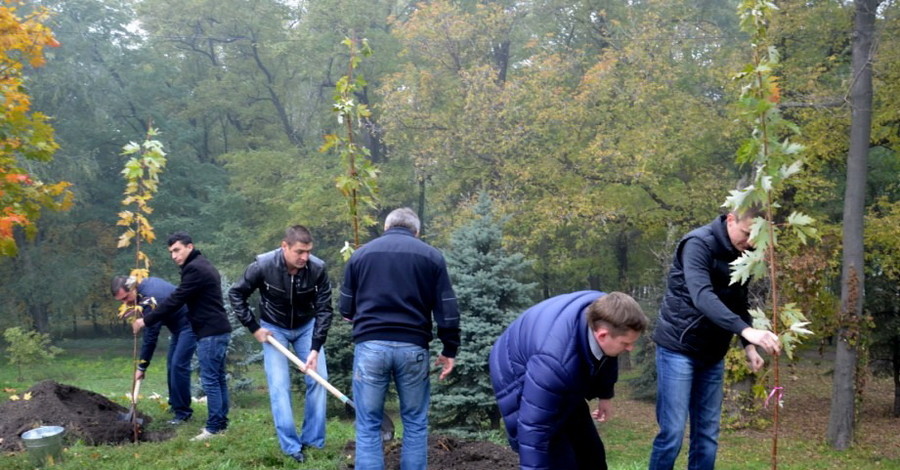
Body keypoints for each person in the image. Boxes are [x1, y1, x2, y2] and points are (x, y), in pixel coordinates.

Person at [648, 209, 782, 470]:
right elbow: (702, 296)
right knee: (672, 434)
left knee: (707, 436)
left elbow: (739, 302)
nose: (751, 242)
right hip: (679, 347)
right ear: (730, 219)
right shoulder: (697, 244)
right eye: (746, 233)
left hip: (713, 354)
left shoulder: (744, 253)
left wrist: (749, 346)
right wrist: (746, 331)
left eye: (757, 237)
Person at [339, 207, 460, 470]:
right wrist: (449, 348)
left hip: (370, 347)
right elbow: (447, 308)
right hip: (413, 347)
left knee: (368, 423)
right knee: (416, 422)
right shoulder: (431, 257)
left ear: (386, 227)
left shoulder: (361, 256)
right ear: (416, 232)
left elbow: (346, 309)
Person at [489, 290, 649, 470]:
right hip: (514, 369)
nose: (630, 348)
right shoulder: (553, 364)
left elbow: (608, 356)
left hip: (553, 359)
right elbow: (533, 428)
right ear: (602, 335)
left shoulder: (609, 312)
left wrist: (605, 393)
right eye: (625, 343)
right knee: (558, 457)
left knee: (591, 454)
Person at [228, 225, 334, 464]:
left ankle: (313, 440)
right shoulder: (263, 265)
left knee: (319, 379)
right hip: (273, 329)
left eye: (308, 252)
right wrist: (254, 328)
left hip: (307, 327)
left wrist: (315, 348)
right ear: (284, 246)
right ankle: (291, 445)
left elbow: (325, 309)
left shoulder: (317, 269)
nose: (304, 257)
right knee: (279, 386)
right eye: (299, 251)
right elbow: (236, 294)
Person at [132, 231, 232, 442]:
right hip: (218, 329)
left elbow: (176, 299)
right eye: (171, 252)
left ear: (189, 246)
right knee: (218, 378)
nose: (174, 256)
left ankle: (214, 428)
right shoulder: (199, 264)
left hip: (210, 332)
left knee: (211, 380)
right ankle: (221, 423)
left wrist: (146, 320)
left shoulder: (195, 269)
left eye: (177, 250)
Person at [112, 275, 197, 425]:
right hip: (179, 327)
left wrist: (142, 366)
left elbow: (151, 337)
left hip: (191, 323)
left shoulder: (150, 300)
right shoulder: (143, 285)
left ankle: (183, 414)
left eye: (126, 298)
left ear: (132, 287)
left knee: (178, 366)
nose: (126, 303)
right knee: (172, 365)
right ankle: (176, 406)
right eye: (121, 301)